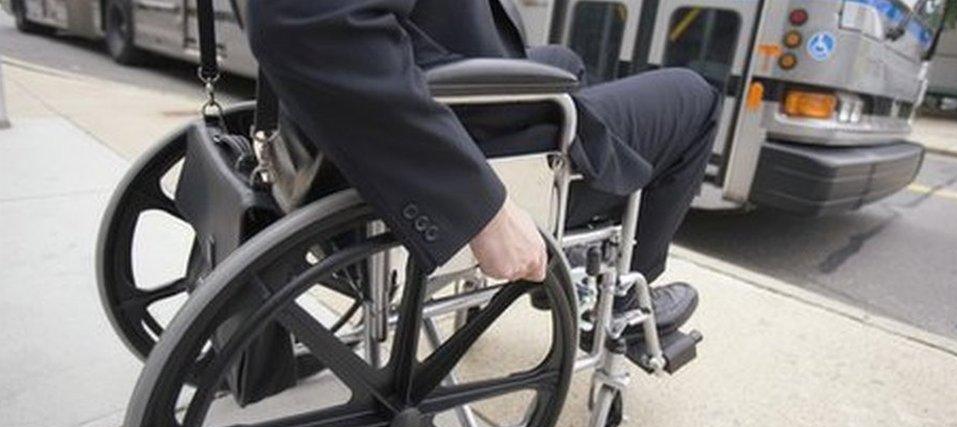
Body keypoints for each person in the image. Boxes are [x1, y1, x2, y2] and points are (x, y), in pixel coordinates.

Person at [246, 0, 720, 336]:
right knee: (695, 97)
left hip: (425, 79)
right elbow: (308, 20)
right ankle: (619, 299)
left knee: (567, 61)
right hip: (473, 136)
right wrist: (479, 207)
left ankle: (578, 266)